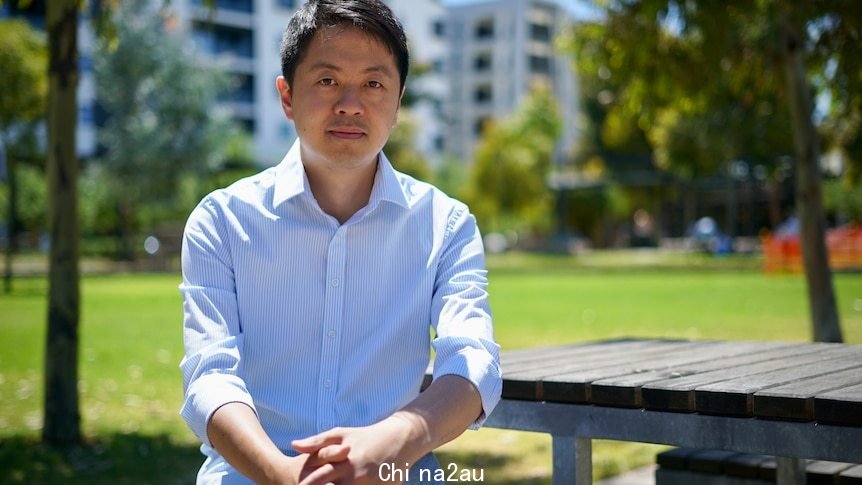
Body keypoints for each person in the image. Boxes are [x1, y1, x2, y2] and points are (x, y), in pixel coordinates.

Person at [178, 1, 502, 483]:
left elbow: (473, 361)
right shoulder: (221, 221)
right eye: (327, 80)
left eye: (374, 83)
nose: (350, 103)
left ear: (398, 103)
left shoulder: (447, 225)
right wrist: (281, 474)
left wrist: (398, 438)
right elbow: (209, 375)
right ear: (286, 96)